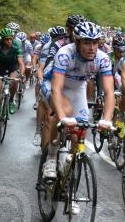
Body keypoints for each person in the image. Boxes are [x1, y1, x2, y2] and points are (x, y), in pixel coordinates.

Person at [40, 21, 115, 183]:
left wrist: (107, 120)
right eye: (87, 42)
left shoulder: (103, 59)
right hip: (53, 85)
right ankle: (51, 158)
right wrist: (62, 117)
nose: (92, 47)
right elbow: (57, 89)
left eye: (95, 43)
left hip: (77, 87)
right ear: (77, 42)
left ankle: (68, 186)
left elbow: (109, 92)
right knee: (64, 113)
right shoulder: (65, 53)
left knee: (79, 135)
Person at [0, 27, 25, 129]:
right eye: (6, 39)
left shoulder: (17, 45)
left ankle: (11, 101)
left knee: (14, 81)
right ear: (2, 39)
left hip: (12, 67)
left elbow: (21, 63)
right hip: (0, 67)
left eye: (10, 39)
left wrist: (22, 75)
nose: (9, 41)